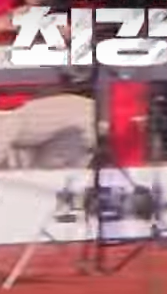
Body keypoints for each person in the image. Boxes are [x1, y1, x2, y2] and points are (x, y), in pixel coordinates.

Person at [0, 0, 96, 169]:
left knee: (89, 117)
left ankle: (41, 181)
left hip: (41, 104)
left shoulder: (72, 9)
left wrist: (74, 36)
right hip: (4, 111)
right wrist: (6, 23)